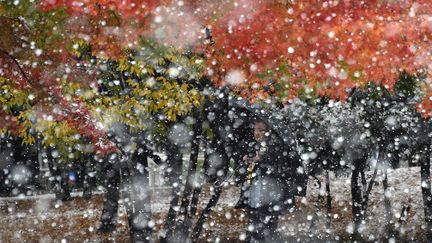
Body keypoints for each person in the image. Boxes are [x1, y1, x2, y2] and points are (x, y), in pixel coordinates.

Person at [244, 120, 294, 243]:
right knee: (253, 220)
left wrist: (261, 160)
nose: (257, 133)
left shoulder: (275, 146)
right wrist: (248, 160)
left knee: (268, 223)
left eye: (261, 130)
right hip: (255, 192)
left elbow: (279, 168)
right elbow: (247, 171)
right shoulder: (253, 145)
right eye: (255, 129)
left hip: (270, 193)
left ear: (268, 132)